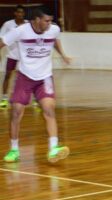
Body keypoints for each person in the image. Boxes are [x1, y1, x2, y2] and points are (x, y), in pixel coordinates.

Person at [0, 5, 71, 163]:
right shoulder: (21, 31)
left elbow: (54, 41)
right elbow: (2, 42)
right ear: (37, 20)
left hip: (45, 78)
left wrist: (63, 55)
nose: (49, 24)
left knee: (49, 109)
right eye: (46, 21)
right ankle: (14, 149)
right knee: (16, 112)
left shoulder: (53, 29)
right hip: (25, 77)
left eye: (51, 21)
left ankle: (53, 149)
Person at [0, 5, 28, 108]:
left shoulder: (28, 24)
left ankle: (35, 98)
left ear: (24, 14)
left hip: (25, 57)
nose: (20, 14)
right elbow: (1, 38)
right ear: (15, 13)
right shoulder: (8, 24)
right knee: (8, 75)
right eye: (18, 12)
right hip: (11, 55)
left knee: (31, 77)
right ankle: (4, 98)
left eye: (22, 12)